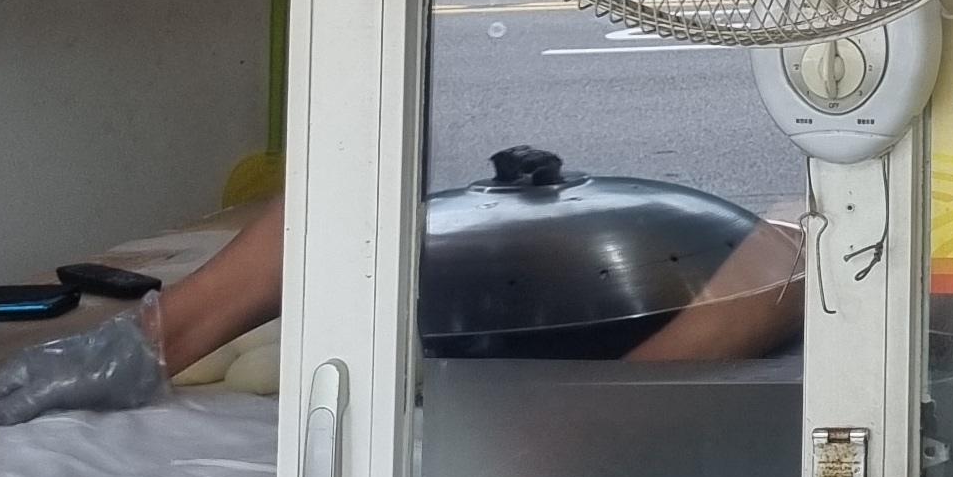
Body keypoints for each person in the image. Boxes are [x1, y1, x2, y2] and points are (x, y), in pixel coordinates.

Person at [150, 189, 805, 375]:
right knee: (326, 203)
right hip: (453, 310)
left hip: (609, 359)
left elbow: (788, 261)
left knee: (786, 256)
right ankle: (142, 344)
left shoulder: (779, 258)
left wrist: (597, 414)